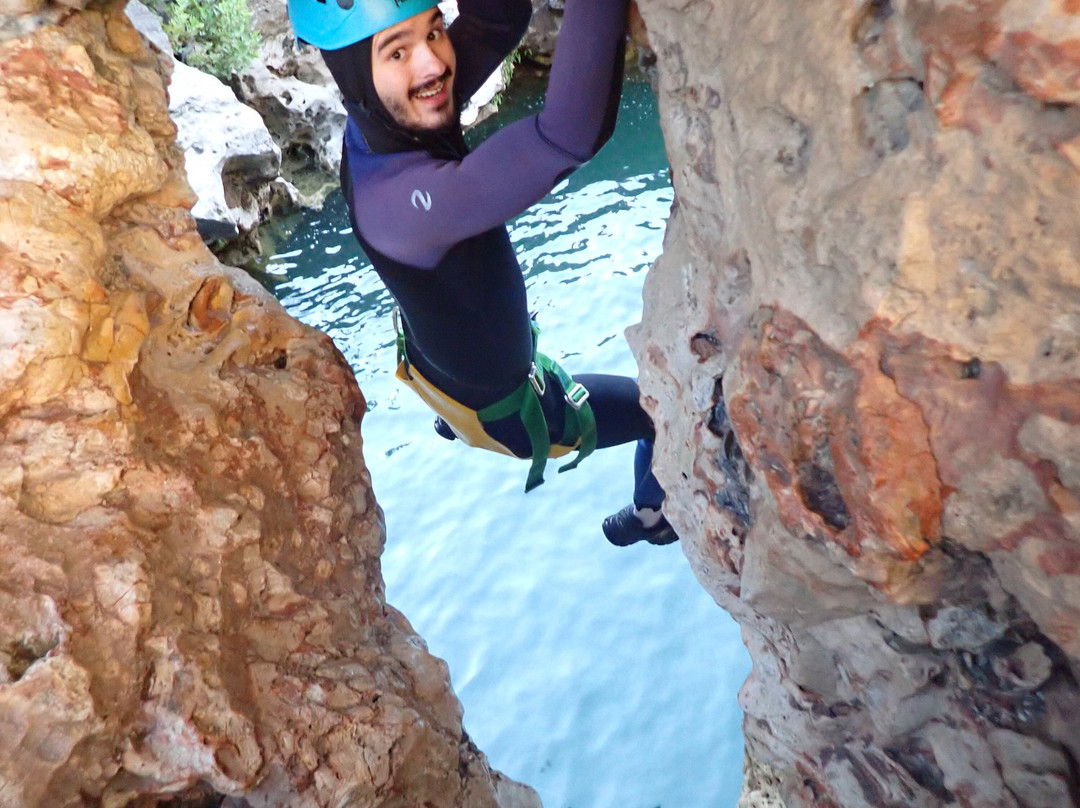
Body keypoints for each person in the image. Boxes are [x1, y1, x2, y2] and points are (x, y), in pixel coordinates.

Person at [287, 0, 675, 546]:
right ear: (355, 73)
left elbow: (499, 17)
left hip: (437, 365)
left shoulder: (381, 122)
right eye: (397, 52)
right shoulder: (402, 205)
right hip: (509, 412)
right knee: (657, 411)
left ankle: (451, 418)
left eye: (434, 30)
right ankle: (652, 516)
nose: (432, 65)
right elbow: (566, 136)